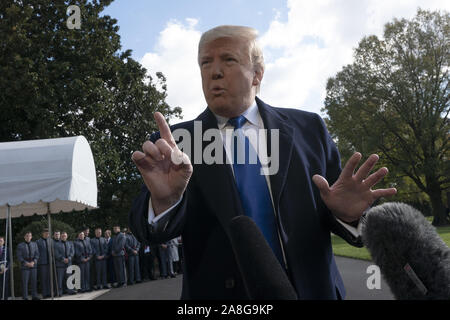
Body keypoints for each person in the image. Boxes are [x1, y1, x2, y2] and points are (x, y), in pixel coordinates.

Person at [129, 25, 397, 299]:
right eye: (205, 63)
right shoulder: (176, 142)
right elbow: (145, 230)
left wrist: (348, 215)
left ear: (257, 74)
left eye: (228, 60)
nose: (214, 71)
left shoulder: (309, 128)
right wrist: (165, 202)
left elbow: (339, 206)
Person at [16, 232, 40, 300]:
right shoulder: (20, 245)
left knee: (34, 281)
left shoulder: (35, 244)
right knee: (25, 282)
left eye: (29, 236)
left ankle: (34, 296)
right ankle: (25, 296)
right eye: (27, 236)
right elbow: (19, 256)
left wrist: (33, 262)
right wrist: (26, 263)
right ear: (24, 237)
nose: (28, 237)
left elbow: (37, 254)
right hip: (25, 266)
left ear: (31, 237)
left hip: (33, 265)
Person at [54, 231, 75, 296]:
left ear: (67, 236)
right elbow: (56, 254)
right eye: (62, 236)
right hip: (60, 264)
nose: (64, 237)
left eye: (65, 236)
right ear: (60, 237)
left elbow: (72, 252)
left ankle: (70, 290)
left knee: (69, 278)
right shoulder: (56, 244)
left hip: (68, 263)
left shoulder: (70, 243)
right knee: (60, 279)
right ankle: (59, 292)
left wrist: (68, 258)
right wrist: (63, 259)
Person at [36, 229, 52, 298]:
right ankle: (44, 294)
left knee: (49, 279)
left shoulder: (50, 241)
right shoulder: (38, 242)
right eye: (46, 233)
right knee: (43, 279)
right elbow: (37, 252)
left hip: (50, 263)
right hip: (42, 263)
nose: (47, 234)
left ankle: (49, 293)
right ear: (43, 233)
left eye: (48, 233)